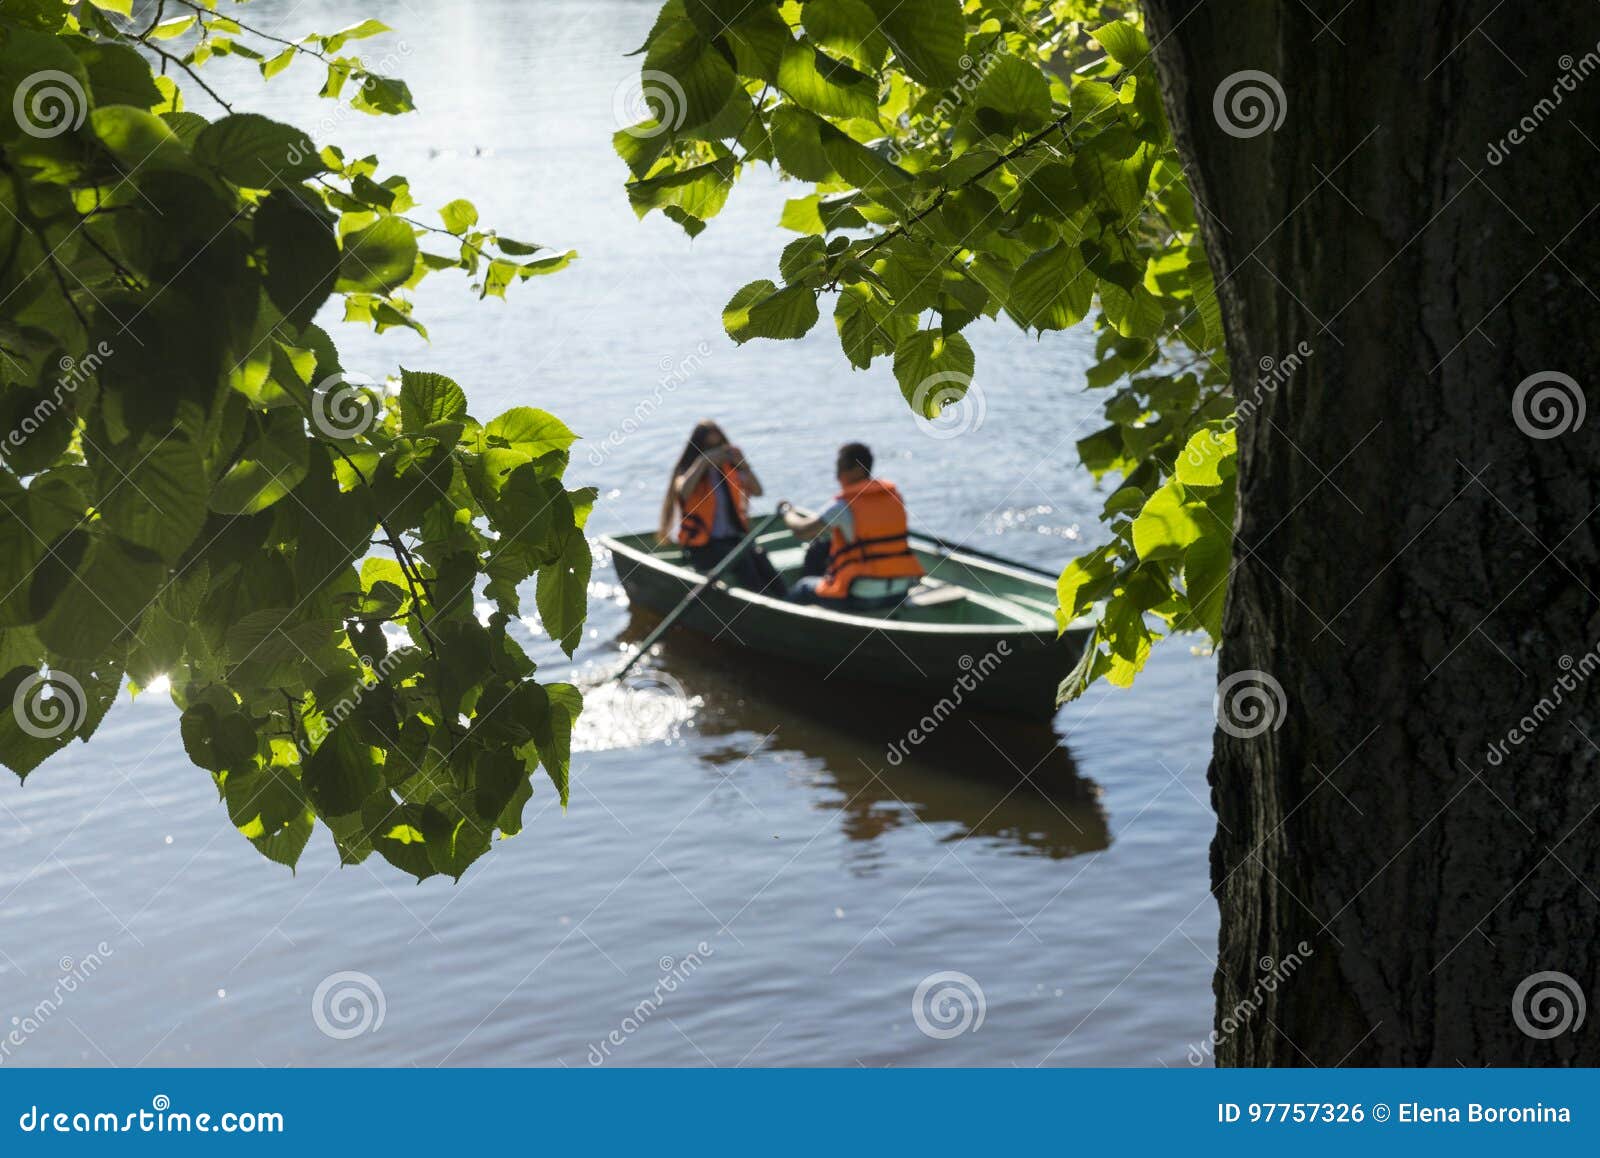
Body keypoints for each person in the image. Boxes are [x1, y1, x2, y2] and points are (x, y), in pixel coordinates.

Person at [782, 442, 923, 610]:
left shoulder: (843, 505)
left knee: (803, 587)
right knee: (821, 548)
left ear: (858, 469)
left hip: (864, 597)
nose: (838, 476)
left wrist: (786, 511)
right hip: (900, 592)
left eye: (841, 469)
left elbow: (801, 531)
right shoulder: (894, 497)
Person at [659, 420, 784, 594]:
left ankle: (784, 599)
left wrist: (744, 464)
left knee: (759, 555)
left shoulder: (731, 469)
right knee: (741, 560)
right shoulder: (687, 470)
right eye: (710, 448)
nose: (717, 453)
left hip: (732, 539)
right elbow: (683, 491)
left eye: (719, 446)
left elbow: (758, 491)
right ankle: (758, 601)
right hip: (703, 546)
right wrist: (703, 462)